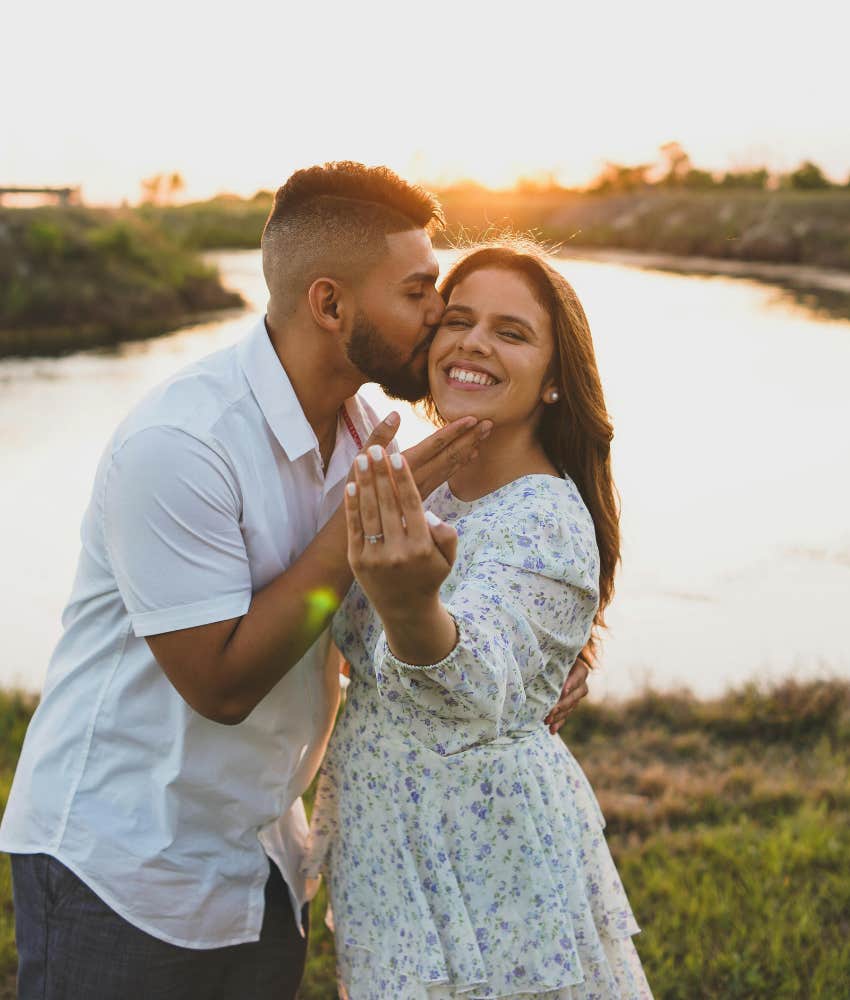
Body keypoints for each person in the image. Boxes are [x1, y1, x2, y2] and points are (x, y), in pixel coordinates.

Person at [0, 164, 589, 1000]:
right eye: (421, 292)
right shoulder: (181, 445)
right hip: (125, 867)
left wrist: (548, 664)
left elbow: (486, 581)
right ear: (330, 305)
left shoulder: (365, 430)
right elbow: (223, 683)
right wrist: (353, 536)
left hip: (265, 863)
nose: (439, 318)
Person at [306, 241, 653, 998]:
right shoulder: (419, 481)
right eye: (458, 320)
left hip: (484, 857)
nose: (473, 343)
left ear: (556, 381)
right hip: (389, 839)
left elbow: (472, 679)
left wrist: (410, 608)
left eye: (511, 332)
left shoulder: (548, 517)